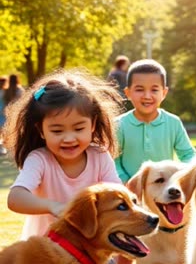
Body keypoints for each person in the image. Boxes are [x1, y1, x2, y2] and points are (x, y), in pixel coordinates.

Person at [3, 69, 123, 240]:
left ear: (93, 125)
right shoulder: (39, 160)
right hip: (46, 249)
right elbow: (15, 199)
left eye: (78, 128)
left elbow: (118, 196)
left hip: (90, 247)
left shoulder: (99, 156)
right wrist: (54, 207)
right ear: (41, 130)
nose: (69, 138)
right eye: (57, 130)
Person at [114, 59, 195, 183]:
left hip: (164, 191)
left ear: (164, 93)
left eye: (154, 90)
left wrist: (178, 178)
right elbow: (114, 161)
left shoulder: (173, 122)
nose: (147, 96)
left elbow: (188, 155)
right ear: (128, 93)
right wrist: (128, 183)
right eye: (139, 89)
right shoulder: (118, 125)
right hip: (130, 193)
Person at [0, 76, 8, 155]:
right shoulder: (5, 91)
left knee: (3, 131)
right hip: (2, 112)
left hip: (3, 113)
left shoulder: (6, 91)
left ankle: (3, 147)